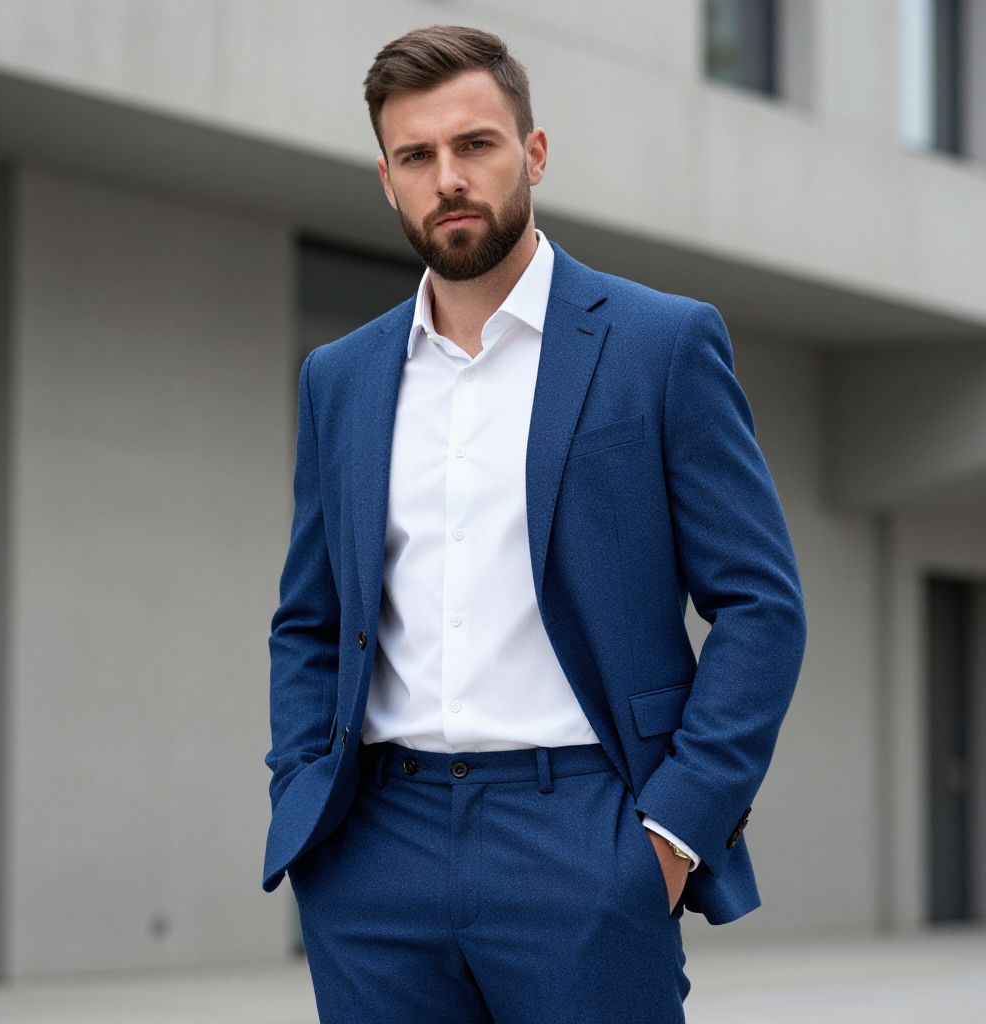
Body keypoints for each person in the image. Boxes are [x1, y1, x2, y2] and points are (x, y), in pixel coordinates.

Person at [262, 23, 807, 1023]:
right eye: (416, 156)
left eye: (475, 144)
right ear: (386, 180)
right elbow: (311, 616)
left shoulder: (660, 344)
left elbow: (761, 605)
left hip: (586, 836)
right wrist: (303, 794)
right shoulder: (341, 378)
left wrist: (673, 832)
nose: (448, 179)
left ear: (535, 152)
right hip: (377, 852)